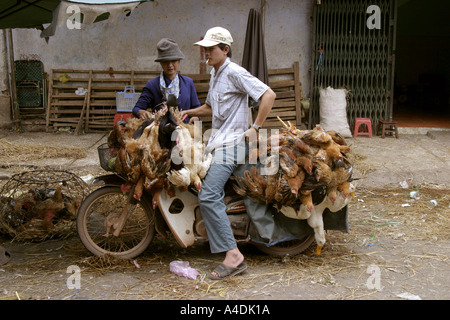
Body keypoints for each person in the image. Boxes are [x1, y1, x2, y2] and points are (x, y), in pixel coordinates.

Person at [182, 27, 276, 280]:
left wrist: (256, 127)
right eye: (204, 49)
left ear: (225, 49)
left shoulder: (234, 72)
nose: (205, 54)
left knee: (209, 195)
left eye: (211, 49)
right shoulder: (216, 74)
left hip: (233, 144)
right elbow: (211, 108)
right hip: (219, 141)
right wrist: (187, 112)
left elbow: (268, 94)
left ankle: (234, 256)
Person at [132, 38, 200, 121]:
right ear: (160, 62)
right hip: (160, 131)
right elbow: (137, 108)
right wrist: (141, 112)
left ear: (179, 61)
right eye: (165, 61)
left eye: (173, 61)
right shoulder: (152, 85)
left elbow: (197, 109)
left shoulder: (188, 83)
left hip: (184, 130)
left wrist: (195, 117)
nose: (170, 65)